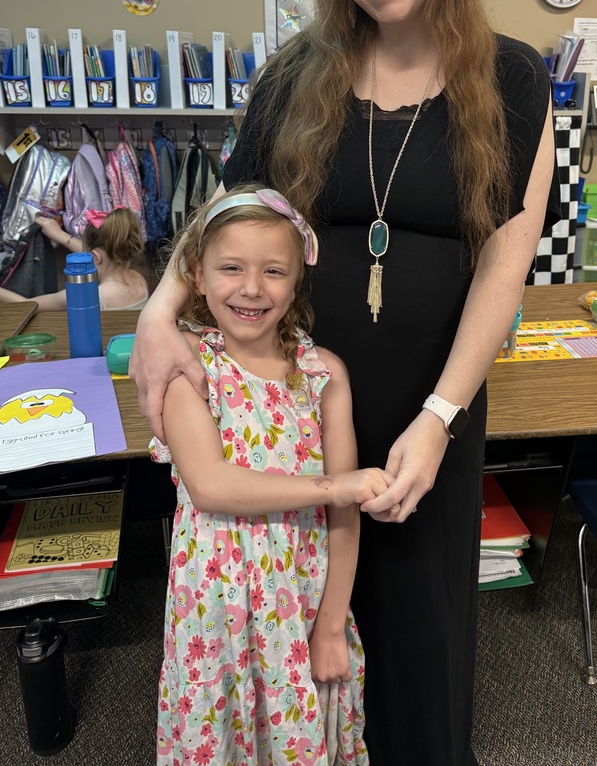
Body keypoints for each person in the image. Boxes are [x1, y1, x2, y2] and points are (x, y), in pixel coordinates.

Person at [132, 0, 559, 766]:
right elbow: (225, 218)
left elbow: (506, 261)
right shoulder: (298, 74)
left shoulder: (513, 76)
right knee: (298, 636)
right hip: (292, 406)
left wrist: (440, 418)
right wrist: (158, 314)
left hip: (430, 408)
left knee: (420, 640)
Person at [151, 184, 392, 765]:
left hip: (300, 605)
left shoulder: (322, 375)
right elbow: (211, 484)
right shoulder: (188, 369)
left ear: (296, 278)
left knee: (294, 737)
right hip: (215, 612)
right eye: (231, 268)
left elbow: (344, 517)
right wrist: (332, 487)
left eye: (273, 271)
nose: (252, 288)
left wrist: (330, 627)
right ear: (197, 275)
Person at [0, 208, 148, 311]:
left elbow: (26, 305)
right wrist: (60, 236)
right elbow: (102, 256)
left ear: (95, 257)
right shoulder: (139, 280)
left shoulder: (88, 295)